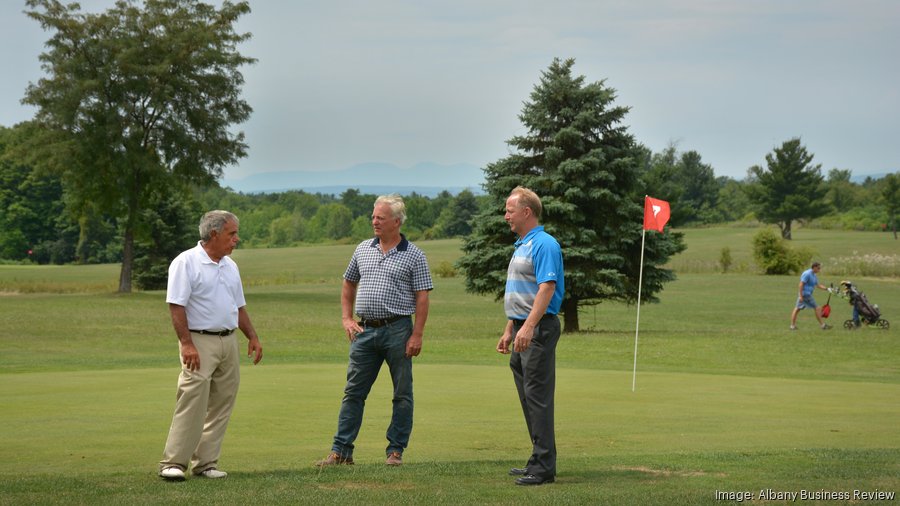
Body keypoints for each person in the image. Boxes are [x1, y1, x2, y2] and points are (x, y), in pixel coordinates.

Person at [316, 194, 433, 467]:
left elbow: (422, 297)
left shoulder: (414, 254)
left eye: (380, 217)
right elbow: (348, 285)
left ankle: (395, 451)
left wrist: (417, 334)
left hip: (398, 330)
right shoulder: (362, 249)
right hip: (365, 330)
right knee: (353, 392)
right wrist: (346, 318)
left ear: (396, 221)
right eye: (373, 216)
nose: (374, 221)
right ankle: (341, 451)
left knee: (402, 393)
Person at [158, 210, 263, 481]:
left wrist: (252, 336)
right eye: (232, 234)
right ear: (214, 234)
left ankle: (206, 464)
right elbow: (176, 306)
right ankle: (174, 463)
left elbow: (238, 306)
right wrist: (186, 344)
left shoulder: (230, 266)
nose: (236, 239)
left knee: (222, 402)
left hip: (228, 341)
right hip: (199, 340)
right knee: (192, 400)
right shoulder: (186, 262)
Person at [496, 187, 564, 486]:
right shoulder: (521, 244)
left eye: (510, 210)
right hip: (523, 327)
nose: (506, 215)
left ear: (527, 212)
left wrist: (528, 326)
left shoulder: (544, 244)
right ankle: (537, 458)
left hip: (538, 328)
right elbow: (521, 292)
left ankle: (544, 467)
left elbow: (546, 288)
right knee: (528, 397)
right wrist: (511, 327)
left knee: (538, 398)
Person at [789, 261, 832, 331]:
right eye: (818, 268)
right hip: (805, 294)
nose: (819, 270)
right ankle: (823, 326)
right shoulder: (807, 274)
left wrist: (827, 289)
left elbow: (818, 285)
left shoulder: (814, 275)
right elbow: (801, 284)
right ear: (814, 267)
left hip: (805, 294)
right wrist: (800, 296)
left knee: (797, 309)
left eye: (820, 268)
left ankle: (792, 326)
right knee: (817, 308)